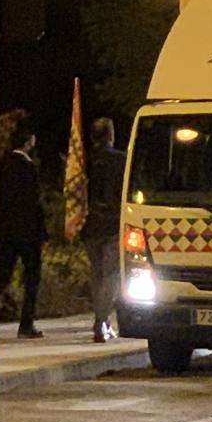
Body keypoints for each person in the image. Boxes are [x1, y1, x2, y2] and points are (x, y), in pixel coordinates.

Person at [0, 114, 46, 338]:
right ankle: (26, 324)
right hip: (28, 234)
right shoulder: (28, 167)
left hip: (6, 232)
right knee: (32, 279)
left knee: (1, 277)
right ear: (28, 141)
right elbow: (34, 202)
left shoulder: (2, 165)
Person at [83, 117, 126, 342]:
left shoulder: (83, 160)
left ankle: (102, 320)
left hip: (89, 225)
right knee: (111, 274)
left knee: (96, 273)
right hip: (112, 224)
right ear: (110, 135)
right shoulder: (121, 160)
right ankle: (101, 321)